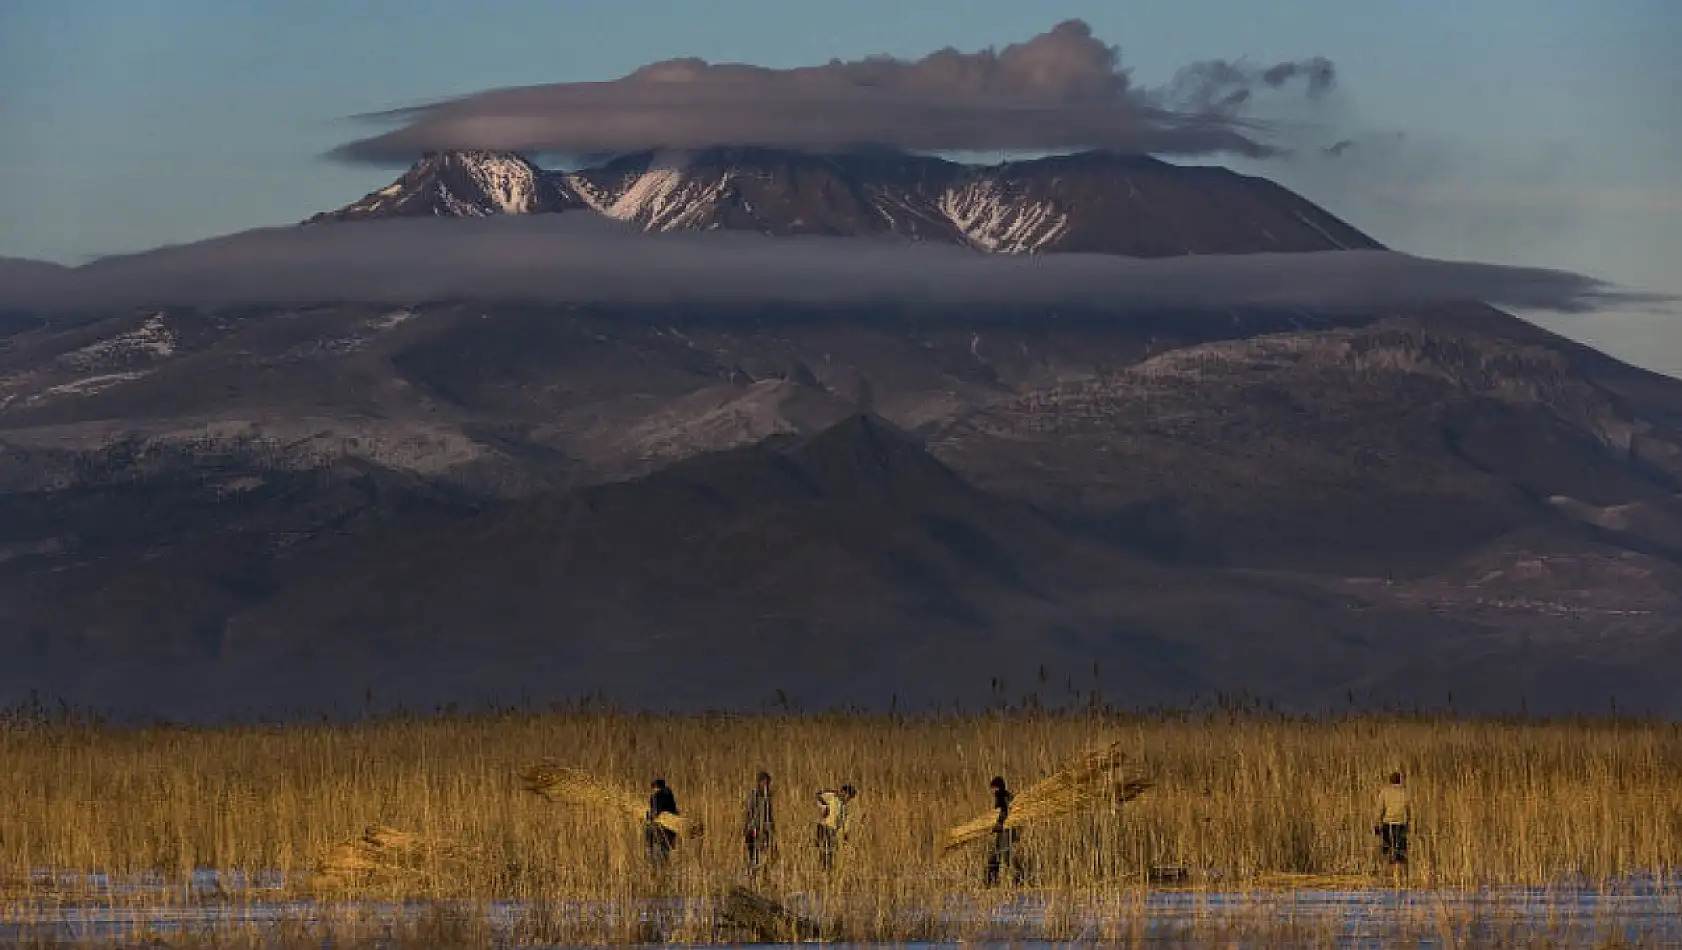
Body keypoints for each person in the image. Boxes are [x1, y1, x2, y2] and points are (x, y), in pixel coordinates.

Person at [984, 776, 1024, 887]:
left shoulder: (1005, 797)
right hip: (1002, 831)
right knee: (996, 855)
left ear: (999, 787)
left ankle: (1019, 879)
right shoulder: (1002, 796)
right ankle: (991, 881)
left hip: (1007, 830)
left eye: (994, 788)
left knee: (1006, 856)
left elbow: (1006, 812)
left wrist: (999, 823)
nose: (993, 791)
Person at [815, 784, 858, 871]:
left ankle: (826, 870)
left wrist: (845, 835)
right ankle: (823, 868)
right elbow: (818, 795)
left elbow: (844, 823)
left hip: (833, 831)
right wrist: (824, 806)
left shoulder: (844, 808)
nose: (848, 799)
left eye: (850, 798)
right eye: (848, 796)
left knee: (830, 852)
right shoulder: (832, 797)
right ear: (843, 792)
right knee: (824, 851)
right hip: (824, 827)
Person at [1375, 771, 1413, 866]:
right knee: (1400, 851)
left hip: (1387, 823)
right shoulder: (1405, 793)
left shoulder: (1385, 792)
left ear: (1390, 780)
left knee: (1386, 848)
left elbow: (1379, 809)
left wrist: (1377, 824)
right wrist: (1409, 824)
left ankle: (1386, 869)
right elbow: (1410, 811)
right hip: (1401, 824)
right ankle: (1399, 872)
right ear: (1400, 780)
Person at [743, 771, 776, 875]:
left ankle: (764, 873)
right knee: (754, 854)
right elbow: (749, 813)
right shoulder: (753, 795)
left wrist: (771, 828)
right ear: (759, 783)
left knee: (769, 852)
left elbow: (769, 814)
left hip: (766, 829)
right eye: (764, 783)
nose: (766, 785)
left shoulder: (768, 797)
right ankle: (752, 873)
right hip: (754, 829)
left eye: (767, 783)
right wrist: (750, 828)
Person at [645, 778, 679, 867]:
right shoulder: (670, 795)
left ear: (656, 787)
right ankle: (665, 868)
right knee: (666, 852)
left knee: (658, 856)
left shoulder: (657, 796)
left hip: (660, 829)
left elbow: (655, 813)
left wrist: (648, 817)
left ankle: (658, 870)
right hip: (671, 828)